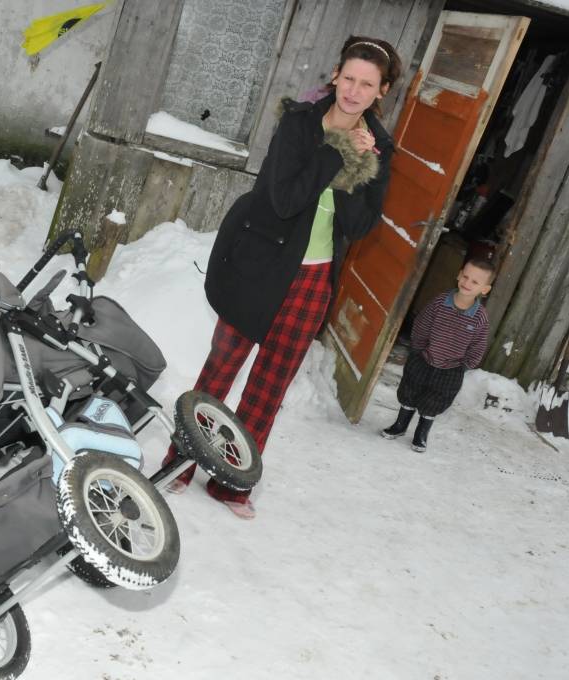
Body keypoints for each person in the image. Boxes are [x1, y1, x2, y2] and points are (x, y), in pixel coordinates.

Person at [163, 37, 402, 519]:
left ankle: (232, 483)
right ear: (335, 75)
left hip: (313, 281)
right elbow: (285, 200)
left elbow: (358, 226)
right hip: (260, 267)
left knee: (269, 388)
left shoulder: (378, 146)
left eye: (367, 84)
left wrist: (365, 166)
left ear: (383, 91)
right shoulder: (299, 126)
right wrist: (339, 155)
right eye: (349, 78)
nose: (354, 91)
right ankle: (178, 466)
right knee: (220, 372)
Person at [381, 259, 494, 452]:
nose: (467, 283)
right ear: (459, 275)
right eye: (465, 277)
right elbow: (422, 325)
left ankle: (421, 433)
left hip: (451, 369)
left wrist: (465, 366)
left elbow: (478, 344)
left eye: (475, 282)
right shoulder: (440, 302)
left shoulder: (479, 317)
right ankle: (400, 425)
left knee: (435, 400)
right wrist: (418, 350)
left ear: (485, 289)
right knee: (409, 390)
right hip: (424, 359)